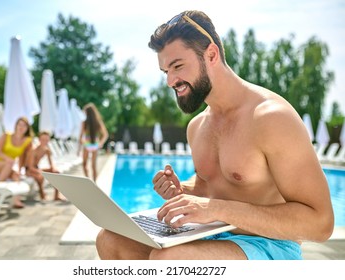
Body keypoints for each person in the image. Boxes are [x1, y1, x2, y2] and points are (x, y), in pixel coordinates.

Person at [96, 10, 334, 260]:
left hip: (269, 244)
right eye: (165, 71)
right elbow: (212, 187)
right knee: (110, 239)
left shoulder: (271, 118)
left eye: (177, 66)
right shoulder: (197, 126)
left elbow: (320, 223)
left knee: (169, 261)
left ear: (211, 54)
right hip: (210, 234)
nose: (170, 81)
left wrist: (216, 209)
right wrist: (181, 190)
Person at [0, 117, 34, 208]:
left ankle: (16, 200)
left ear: (27, 128)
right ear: (16, 126)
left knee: (16, 175)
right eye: (20, 124)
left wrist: (19, 170)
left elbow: (22, 157)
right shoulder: (6, 135)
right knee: (10, 163)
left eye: (24, 125)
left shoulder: (27, 141)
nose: (21, 127)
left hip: (7, 167)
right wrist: (8, 160)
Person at [25, 131, 65, 201]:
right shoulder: (34, 150)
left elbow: (51, 163)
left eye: (46, 140)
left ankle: (56, 196)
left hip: (37, 168)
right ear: (39, 140)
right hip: (29, 170)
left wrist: (53, 169)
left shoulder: (46, 150)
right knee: (40, 176)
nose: (45, 142)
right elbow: (30, 167)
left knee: (57, 173)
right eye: (43, 140)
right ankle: (42, 194)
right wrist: (40, 172)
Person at [78, 103, 108, 181]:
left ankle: (88, 180)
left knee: (84, 164)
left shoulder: (84, 122)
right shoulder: (98, 122)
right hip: (95, 145)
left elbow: (80, 137)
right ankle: (94, 183)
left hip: (87, 144)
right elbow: (105, 135)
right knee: (93, 166)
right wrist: (100, 143)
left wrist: (81, 146)